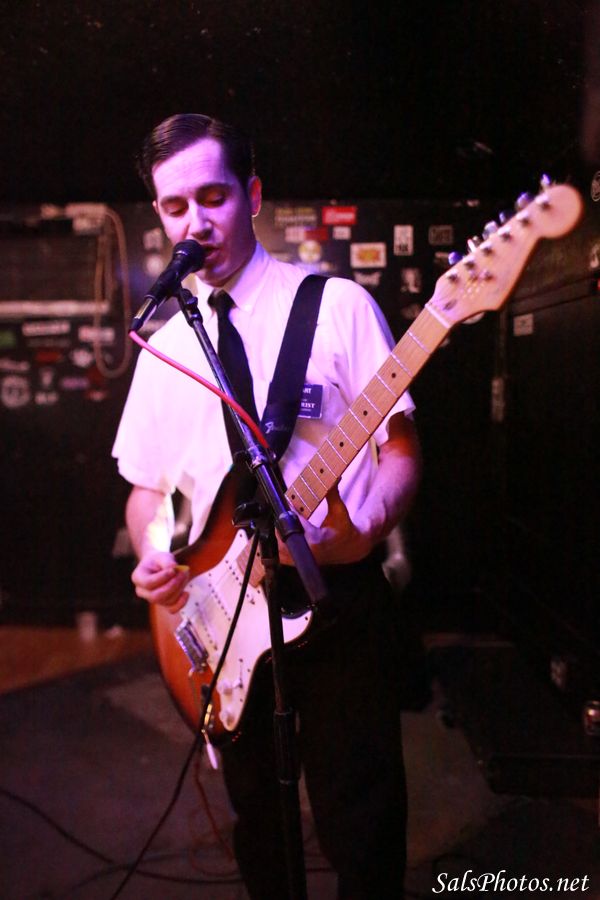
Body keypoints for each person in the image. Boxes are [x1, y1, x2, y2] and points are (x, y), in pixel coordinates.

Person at [112, 113, 421, 899]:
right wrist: (153, 550)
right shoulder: (163, 346)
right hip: (223, 620)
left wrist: (367, 530)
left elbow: (400, 450)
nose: (195, 221)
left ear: (251, 196)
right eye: (174, 206)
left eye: (212, 197)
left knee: (365, 818)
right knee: (261, 822)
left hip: (337, 592)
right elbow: (147, 489)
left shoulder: (337, 306)